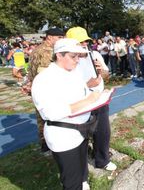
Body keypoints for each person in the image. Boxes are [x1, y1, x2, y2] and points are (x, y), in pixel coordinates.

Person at [31, 38, 101, 190]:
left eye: (78, 56)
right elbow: (50, 112)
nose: (77, 60)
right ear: (59, 55)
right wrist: (88, 101)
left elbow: (83, 93)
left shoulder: (73, 73)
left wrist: (97, 97)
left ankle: (84, 183)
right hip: (63, 135)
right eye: (73, 56)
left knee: (82, 167)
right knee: (71, 180)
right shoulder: (44, 79)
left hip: (82, 129)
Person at [66, 27, 117, 174]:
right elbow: (66, 87)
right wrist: (87, 84)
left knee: (103, 132)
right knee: (81, 136)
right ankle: (81, 170)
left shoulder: (94, 54)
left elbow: (107, 75)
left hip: (99, 100)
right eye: (79, 42)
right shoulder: (66, 61)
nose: (83, 44)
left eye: (85, 41)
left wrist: (102, 71)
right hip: (81, 103)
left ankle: (102, 160)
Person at [26, 27, 65, 153]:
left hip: (37, 89)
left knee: (40, 117)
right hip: (47, 92)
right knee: (49, 118)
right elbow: (47, 75)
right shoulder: (46, 52)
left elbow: (31, 71)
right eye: (59, 38)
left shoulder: (37, 49)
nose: (61, 40)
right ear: (49, 37)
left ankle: (45, 145)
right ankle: (49, 145)